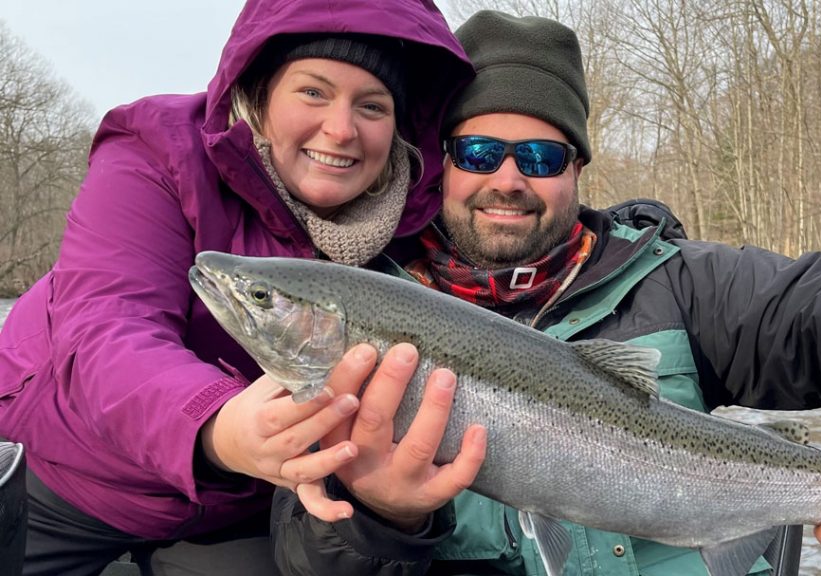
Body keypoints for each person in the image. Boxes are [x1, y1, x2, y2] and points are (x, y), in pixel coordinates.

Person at [269, 9, 821, 576]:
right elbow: (304, 557)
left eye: (539, 154)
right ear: (440, 162)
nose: (508, 178)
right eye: (478, 151)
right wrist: (381, 514)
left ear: (576, 169)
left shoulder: (681, 283)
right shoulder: (369, 311)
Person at [0, 1, 476, 575]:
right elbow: (108, 327)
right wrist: (216, 425)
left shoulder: (413, 223)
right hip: (64, 471)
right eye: (313, 92)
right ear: (260, 94)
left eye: (372, 106)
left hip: (240, 505)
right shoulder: (154, 149)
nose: (341, 129)